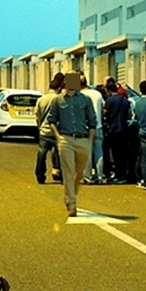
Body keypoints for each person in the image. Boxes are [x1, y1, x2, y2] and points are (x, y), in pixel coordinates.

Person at [47, 72, 97, 217]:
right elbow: (51, 120)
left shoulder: (85, 100)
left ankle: (70, 195)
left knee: (79, 173)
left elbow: (92, 120)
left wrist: (90, 140)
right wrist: (58, 137)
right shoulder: (58, 100)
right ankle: (72, 203)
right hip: (66, 139)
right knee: (68, 172)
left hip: (83, 139)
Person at [34, 73, 65, 184]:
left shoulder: (41, 99)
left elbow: (37, 116)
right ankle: (61, 175)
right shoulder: (60, 99)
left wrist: (40, 127)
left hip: (44, 131)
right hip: (57, 131)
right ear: (59, 88)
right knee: (60, 154)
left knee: (41, 155)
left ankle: (40, 175)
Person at [103, 81, 131, 182]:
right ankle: (122, 174)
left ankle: (112, 173)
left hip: (113, 129)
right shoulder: (125, 100)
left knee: (113, 152)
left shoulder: (109, 100)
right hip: (124, 129)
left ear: (108, 90)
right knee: (123, 153)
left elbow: (105, 113)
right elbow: (129, 114)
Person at [79, 72, 104, 184]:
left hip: (85, 127)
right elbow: (103, 109)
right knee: (99, 153)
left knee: (87, 153)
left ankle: (88, 177)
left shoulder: (79, 96)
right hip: (98, 126)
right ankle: (100, 176)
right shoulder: (97, 93)